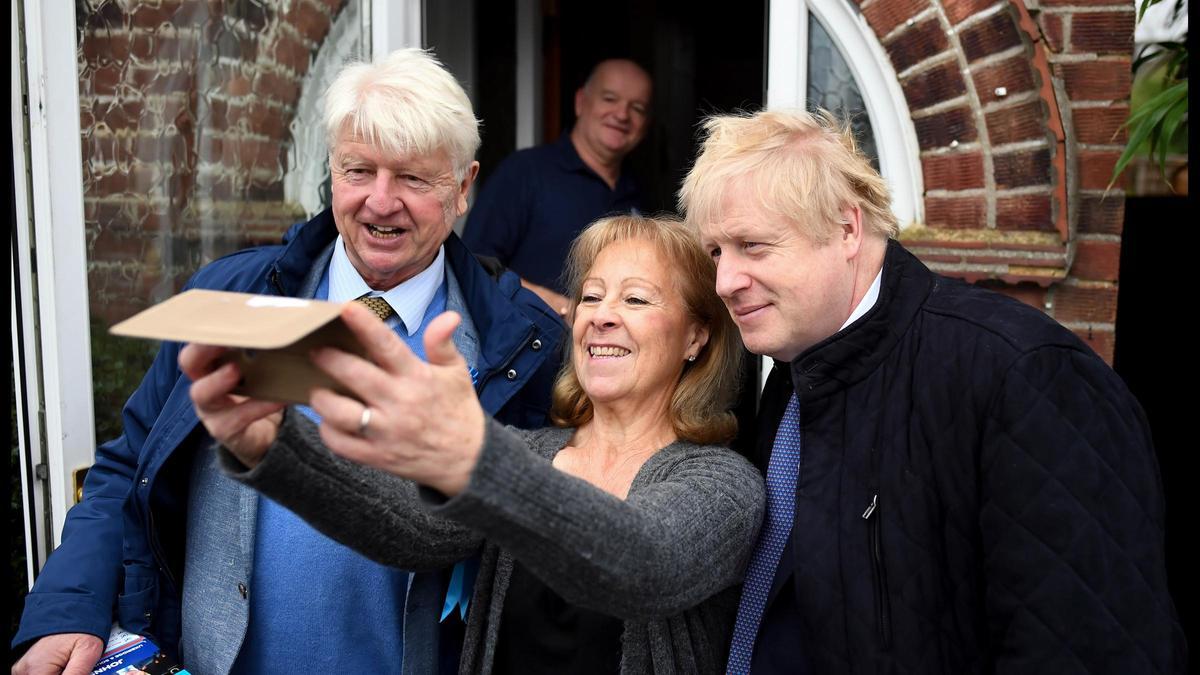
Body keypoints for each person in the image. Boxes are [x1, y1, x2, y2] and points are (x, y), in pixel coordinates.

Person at [12, 48, 564, 675]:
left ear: (464, 187)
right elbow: (126, 466)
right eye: (359, 171)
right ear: (331, 169)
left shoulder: (523, 348)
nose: (380, 203)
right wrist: (68, 612)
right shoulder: (229, 299)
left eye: (413, 178)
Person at [677, 109, 1188, 674]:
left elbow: (1091, 645)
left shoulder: (1023, 375)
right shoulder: (796, 370)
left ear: (847, 229)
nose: (725, 282)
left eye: (753, 245)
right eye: (716, 253)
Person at [183, 215, 766, 674]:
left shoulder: (723, 484)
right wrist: (273, 445)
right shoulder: (532, 453)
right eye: (590, 297)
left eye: (636, 300)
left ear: (696, 336)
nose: (602, 317)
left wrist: (473, 458)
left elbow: (643, 564)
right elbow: (411, 525)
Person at [463, 59, 652, 318]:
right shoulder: (525, 172)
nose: (622, 114)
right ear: (581, 102)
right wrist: (562, 309)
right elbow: (473, 266)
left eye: (637, 108)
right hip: (528, 351)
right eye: (609, 99)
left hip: (610, 351)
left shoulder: (640, 191)